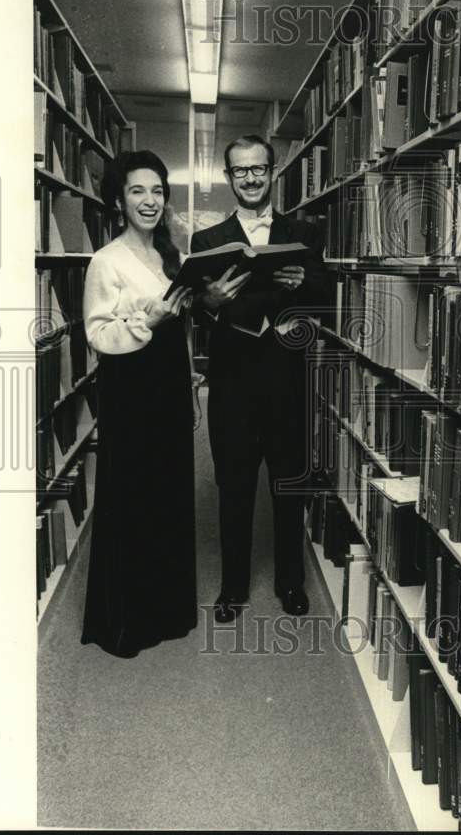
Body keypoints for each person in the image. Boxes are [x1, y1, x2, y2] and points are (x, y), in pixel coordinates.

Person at [191, 134, 331, 624]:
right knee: (234, 486)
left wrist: (305, 286)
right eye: (240, 170)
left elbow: (325, 301)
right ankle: (233, 589)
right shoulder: (206, 241)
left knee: (289, 484)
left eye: (259, 169)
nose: (250, 178)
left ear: (273, 172)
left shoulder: (306, 233)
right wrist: (211, 304)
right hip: (232, 383)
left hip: (288, 379)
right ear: (228, 177)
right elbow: (195, 311)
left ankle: (290, 582)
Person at [80, 150, 199, 658]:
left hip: (169, 383)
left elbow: (184, 331)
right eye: (137, 191)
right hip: (131, 389)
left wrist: (190, 387)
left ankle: (167, 611)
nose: (149, 201)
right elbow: (96, 334)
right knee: (133, 496)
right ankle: (129, 620)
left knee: (169, 493)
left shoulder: (171, 256)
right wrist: (148, 322)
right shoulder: (105, 261)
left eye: (156, 190)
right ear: (119, 199)